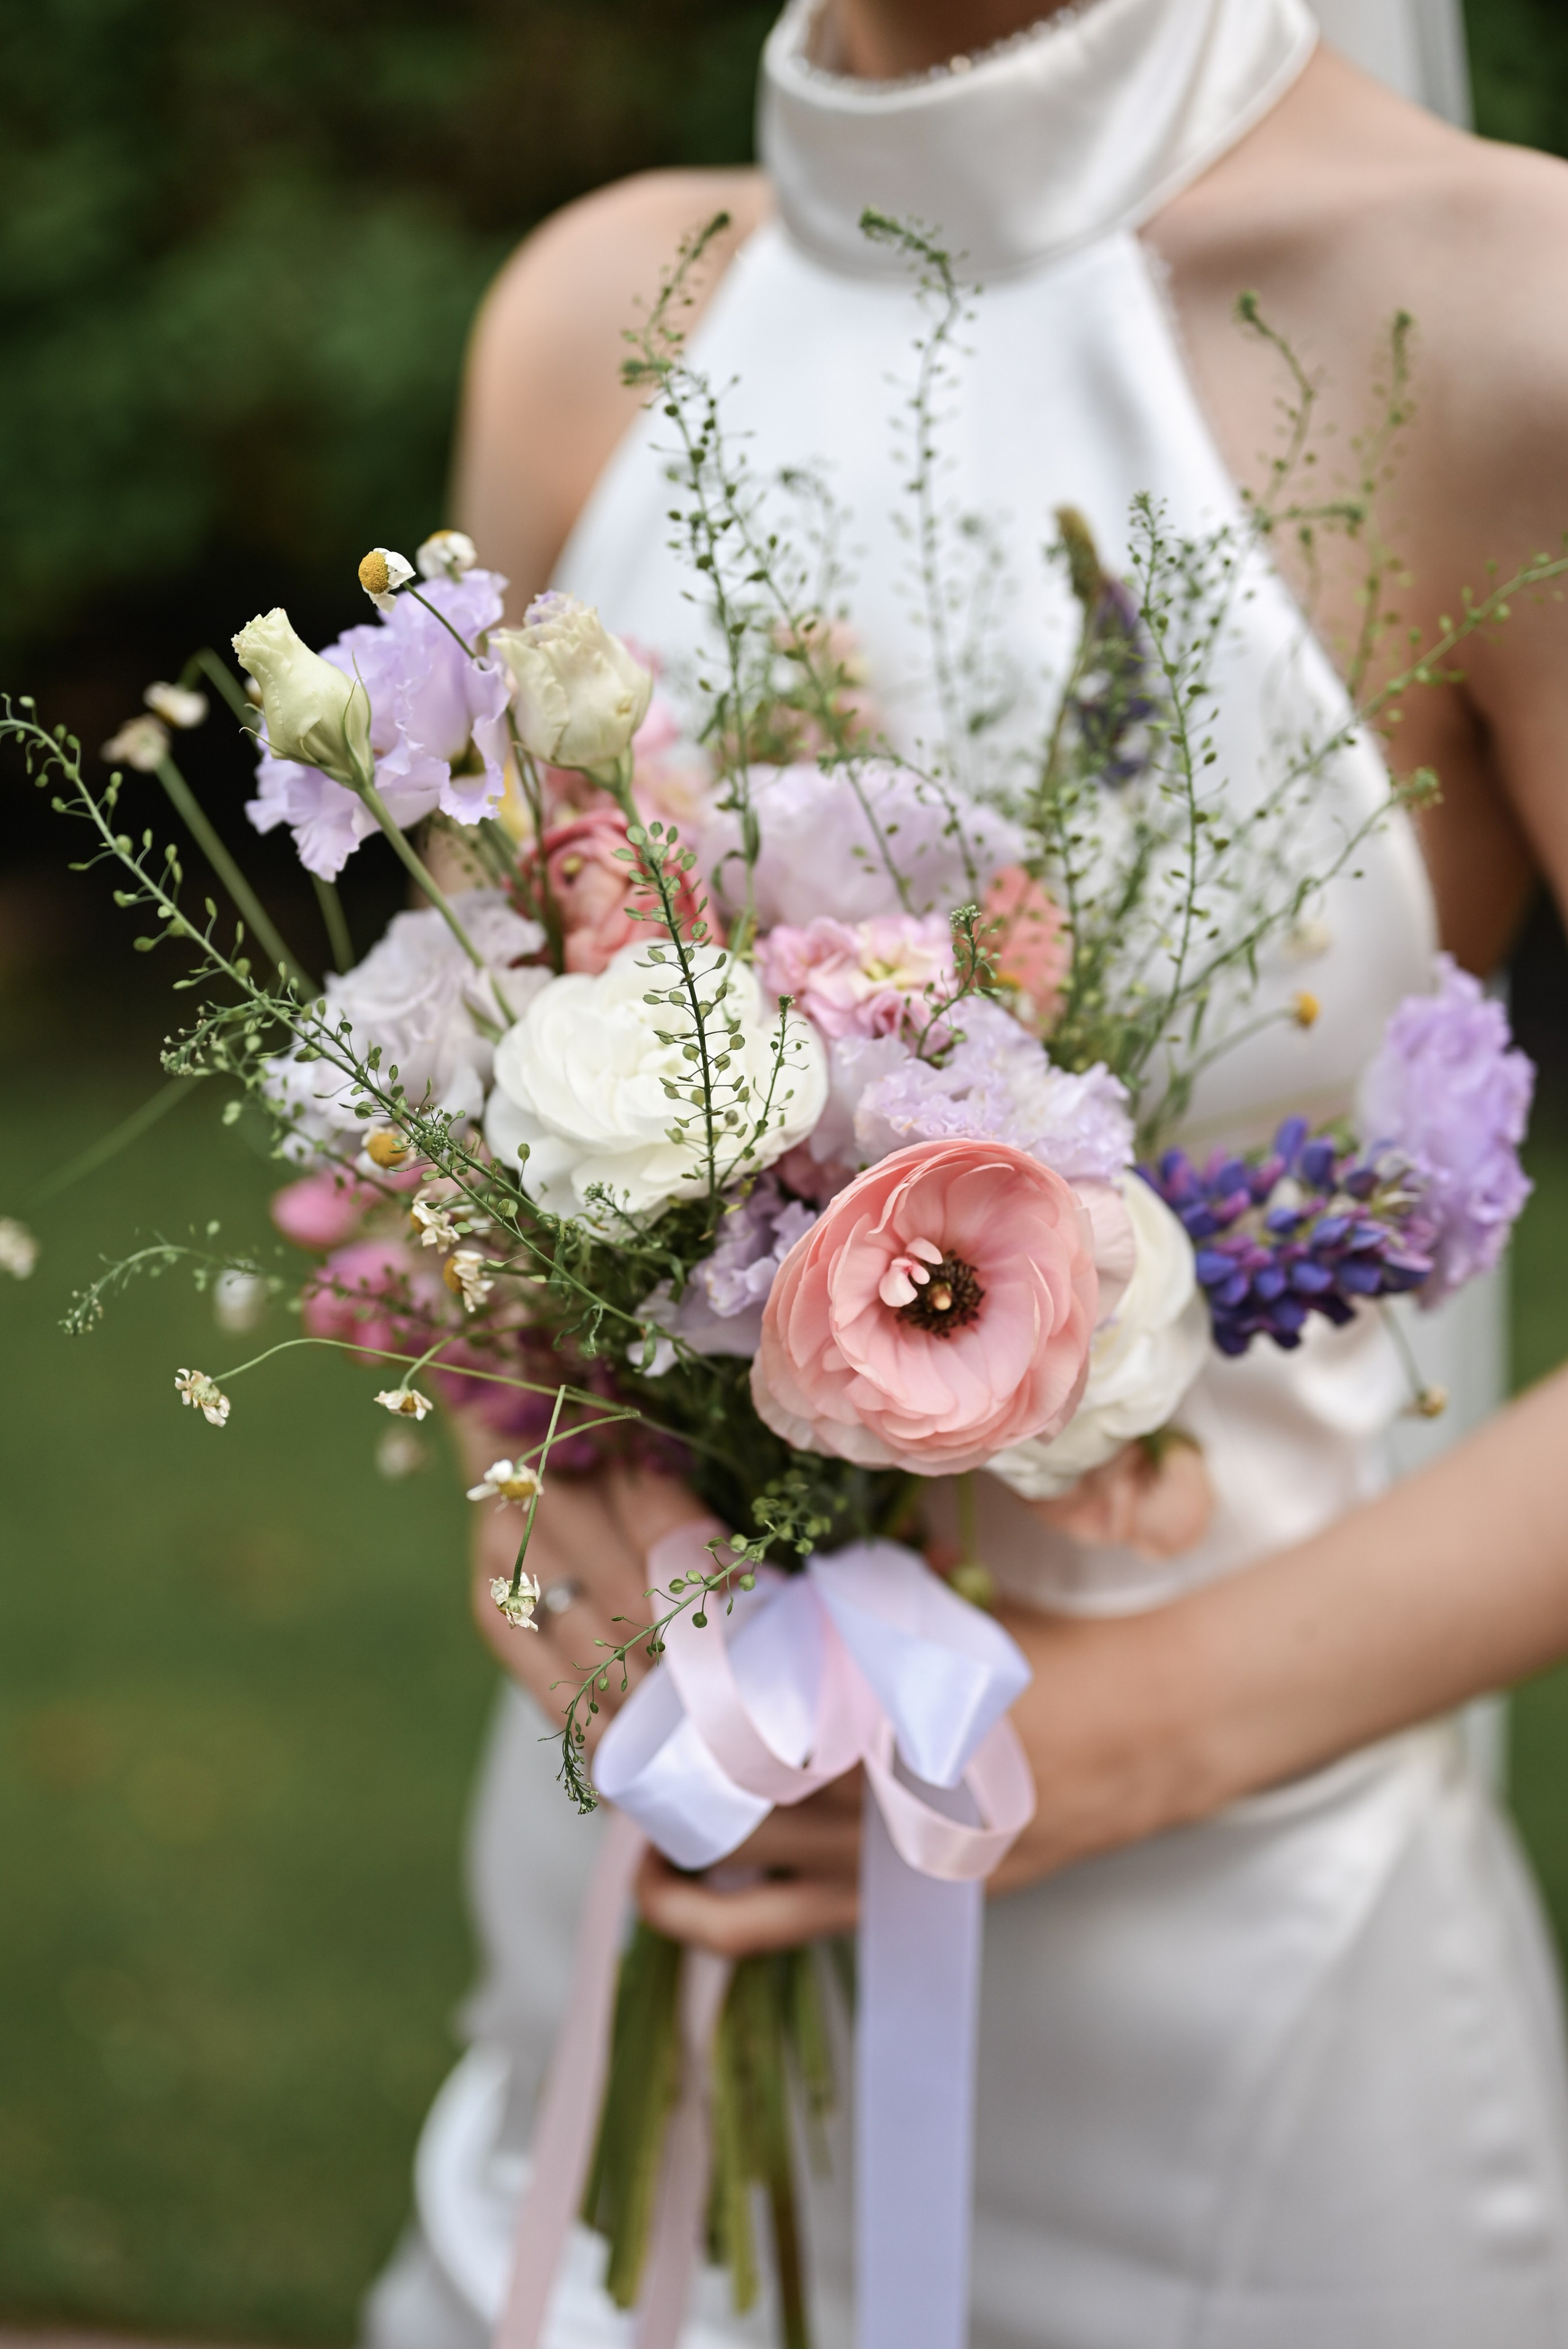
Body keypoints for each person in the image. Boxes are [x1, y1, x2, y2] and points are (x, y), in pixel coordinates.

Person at [365, 2, 1568, 2343]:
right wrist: (537, 1502)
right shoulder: (585, 327)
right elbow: (487, 1129)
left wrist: (1110, 1737)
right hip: (644, 1939)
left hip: (1223, 2053)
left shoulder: (1499, 322)